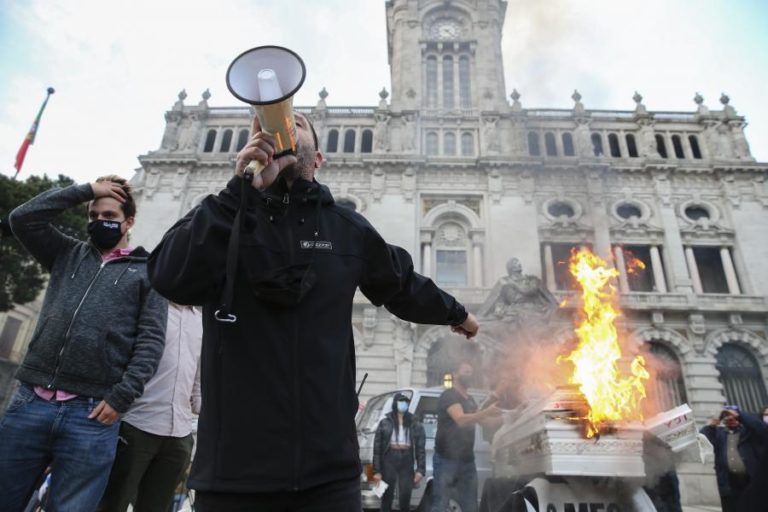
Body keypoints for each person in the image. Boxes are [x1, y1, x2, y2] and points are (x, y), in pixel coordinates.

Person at [147, 111, 480, 512]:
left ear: (318, 159)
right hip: (232, 475)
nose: (282, 125)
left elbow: (402, 283)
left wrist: (457, 314)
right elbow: (167, 275)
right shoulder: (224, 217)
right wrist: (241, 189)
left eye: (297, 123)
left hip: (328, 478)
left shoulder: (346, 229)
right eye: (268, 124)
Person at [0, 175, 167, 512]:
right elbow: (22, 218)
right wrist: (87, 191)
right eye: (93, 216)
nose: (99, 222)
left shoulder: (149, 272)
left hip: (91, 415)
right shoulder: (66, 253)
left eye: (109, 217)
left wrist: (121, 397)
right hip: (30, 403)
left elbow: (151, 342)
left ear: (129, 222)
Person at [97, 302, 203, 512]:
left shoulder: (201, 323)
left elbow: (197, 382)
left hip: (180, 435)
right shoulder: (147, 308)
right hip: (135, 425)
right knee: (111, 504)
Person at [431, 361, 501, 512]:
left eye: (471, 372)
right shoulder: (449, 395)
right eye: (466, 372)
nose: (470, 375)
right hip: (446, 460)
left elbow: (486, 422)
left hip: (467, 461)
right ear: (455, 374)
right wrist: (487, 411)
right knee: (440, 504)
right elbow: (461, 420)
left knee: (471, 506)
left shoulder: (469, 400)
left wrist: (511, 417)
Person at [699, 405, 768, 512]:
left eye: (733, 417)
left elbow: (761, 428)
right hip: (729, 483)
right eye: (727, 417)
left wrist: (739, 415)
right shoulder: (719, 434)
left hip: (750, 481)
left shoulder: (748, 433)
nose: (731, 419)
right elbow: (702, 437)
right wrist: (713, 423)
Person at [372, 393, 426, 512]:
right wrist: (376, 471)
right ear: (395, 404)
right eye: (401, 402)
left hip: (406, 459)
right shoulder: (385, 422)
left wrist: (420, 470)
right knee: (387, 497)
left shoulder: (414, 422)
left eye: (406, 402)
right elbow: (377, 449)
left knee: (405, 497)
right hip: (389, 459)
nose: (403, 405)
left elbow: (420, 448)